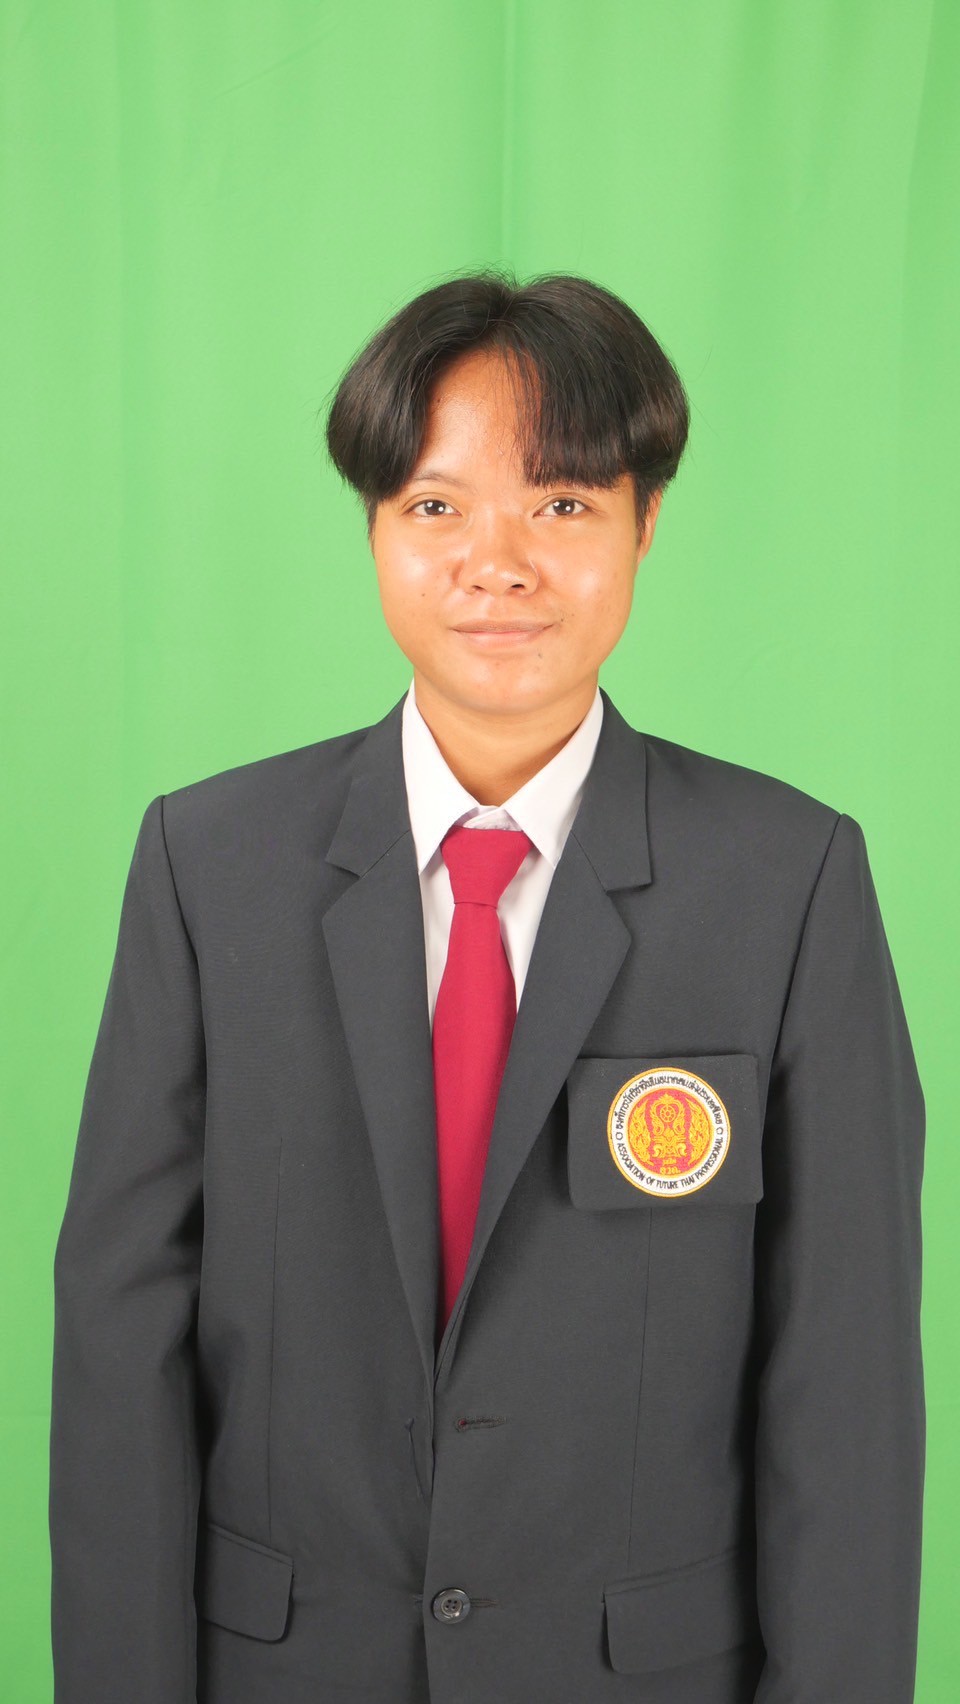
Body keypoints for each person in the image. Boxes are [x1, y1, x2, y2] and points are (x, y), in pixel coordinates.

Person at [49, 269, 926, 1704]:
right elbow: (119, 1339)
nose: (497, 562)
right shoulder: (209, 866)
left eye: (562, 503)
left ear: (647, 521)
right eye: (436, 506)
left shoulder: (788, 882)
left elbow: (848, 1383)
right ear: (375, 530)